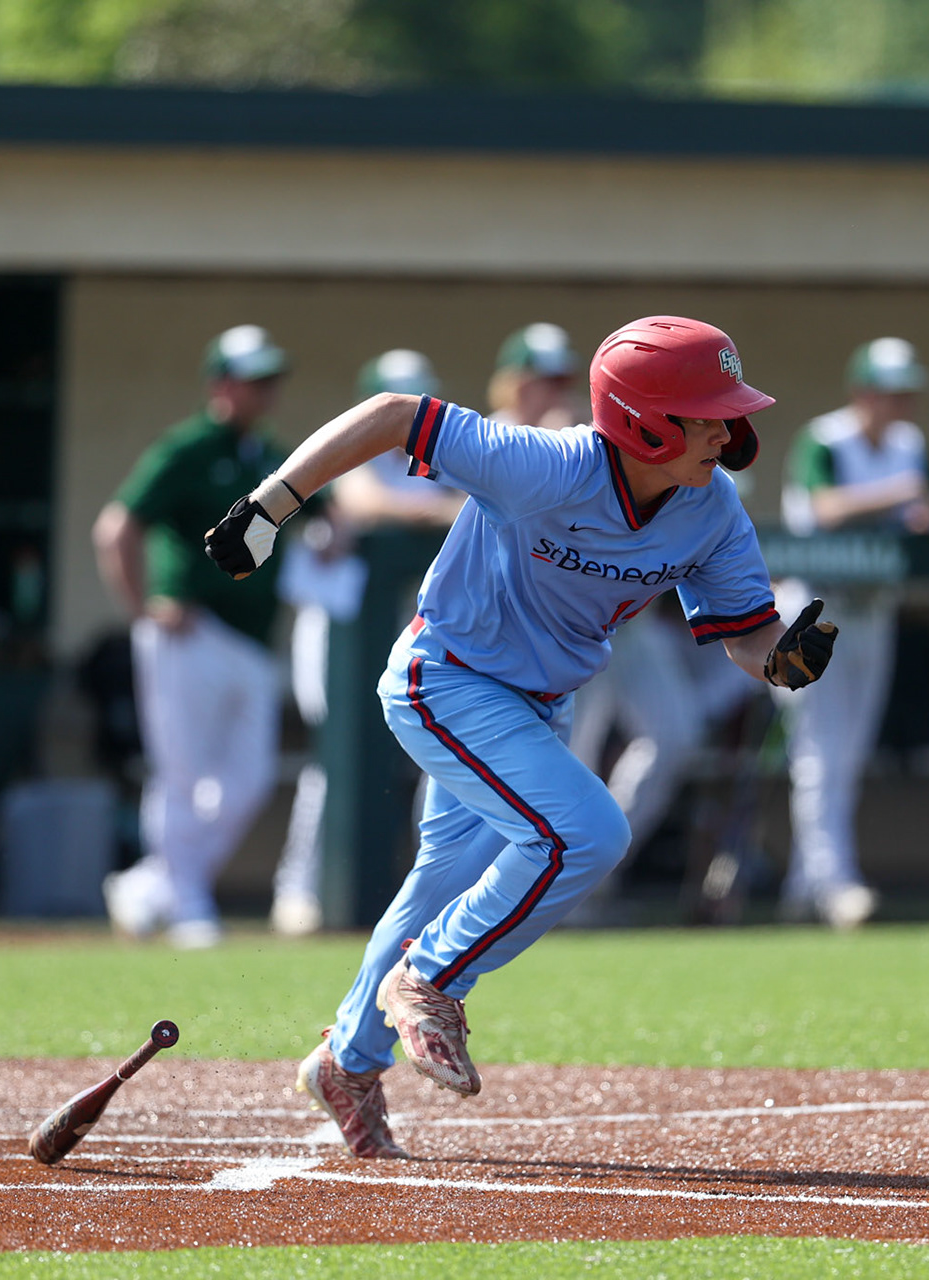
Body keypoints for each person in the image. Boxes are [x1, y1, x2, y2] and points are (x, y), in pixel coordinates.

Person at [203, 316, 836, 1158]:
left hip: (540, 705)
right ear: (643, 419)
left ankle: (346, 1064)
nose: (727, 428)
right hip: (448, 680)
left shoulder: (711, 507)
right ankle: (433, 982)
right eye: (706, 411)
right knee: (588, 831)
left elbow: (745, 635)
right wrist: (272, 503)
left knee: (442, 888)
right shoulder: (552, 462)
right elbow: (397, 414)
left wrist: (782, 660)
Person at [93, 325, 295, 949]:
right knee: (180, 774)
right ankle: (187, 906)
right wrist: (141, 610)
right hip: (189, 631)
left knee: (252, 778)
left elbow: (326, 504)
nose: (263, 392)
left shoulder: (268, 454)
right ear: (221, 385)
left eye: (269, 380)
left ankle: (153, 886)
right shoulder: (188, 447)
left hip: (254, 641)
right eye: (251, 380)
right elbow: (117, 527)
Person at [776, 338, 929, 929]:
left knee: (848, 754)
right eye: (892, 393)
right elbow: (822, 510)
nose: (902, 405)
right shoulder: (825, 438)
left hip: (873, 612)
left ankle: (803, 886)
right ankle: (835, 884)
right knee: (819, 754)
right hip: (812, 608)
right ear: (862, 393)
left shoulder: (909, 445)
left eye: (908, 394)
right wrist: (901, 497)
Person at [269, 349, 463, 936]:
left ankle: (413, 896)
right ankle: (299, 889)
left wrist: (433, 509)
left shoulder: (437, 462)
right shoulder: (352, 458)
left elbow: (473, 509)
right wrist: (429, 513)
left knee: (419, 759)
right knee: (335, 756)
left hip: (404, 629)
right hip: (335, 631)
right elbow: (364, 504)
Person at [487, 323, 581, 431]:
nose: (560, 393)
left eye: (564, 383)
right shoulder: (493, 434)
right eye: (551, 381)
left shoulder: (576, 428)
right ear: (518, 385)